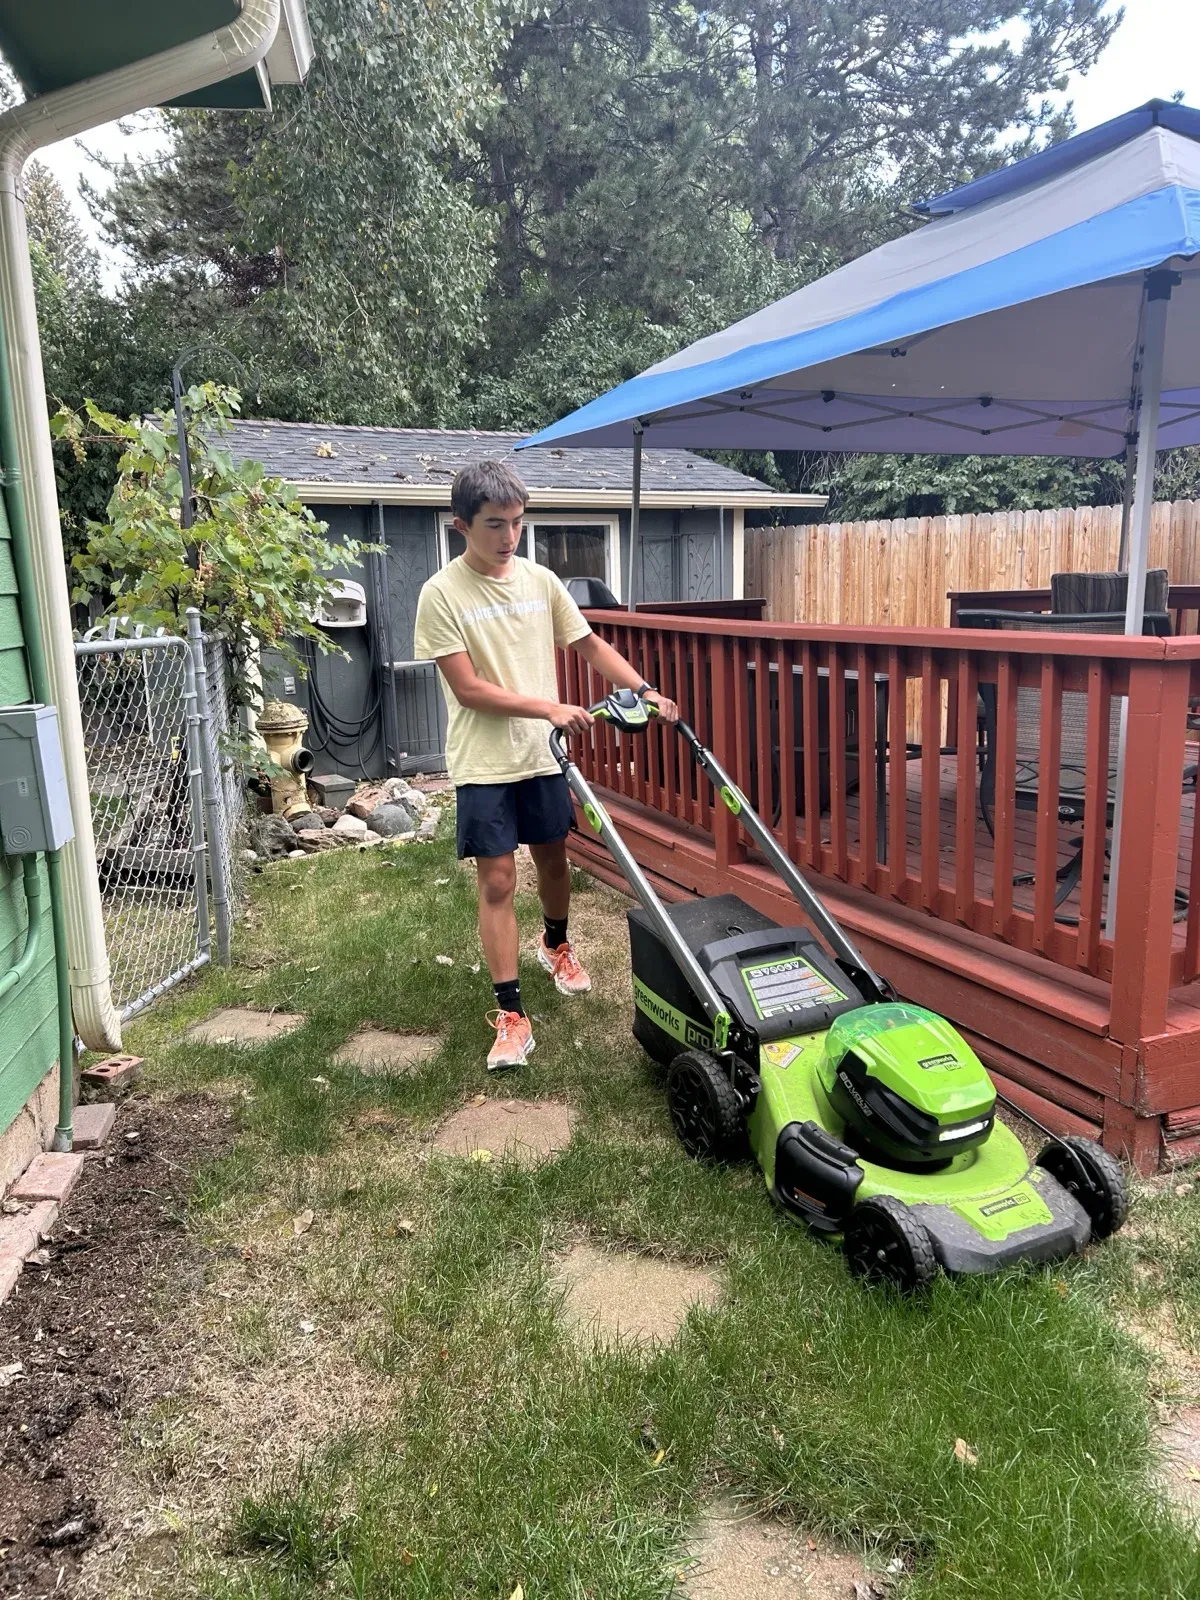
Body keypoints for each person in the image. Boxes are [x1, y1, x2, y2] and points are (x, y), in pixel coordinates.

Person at [414, 459, 678, 1071]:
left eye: (516, 523)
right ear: (461, 526)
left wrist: (645, 690)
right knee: (499, 880)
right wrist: (548, 706)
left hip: (542, 756)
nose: (509, 538)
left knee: (555, 856)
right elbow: (470, 689)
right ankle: (511, 1013)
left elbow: (588, 644)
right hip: (484, 761)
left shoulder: (540, 581)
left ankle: (555, 944)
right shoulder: (441, 594)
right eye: (494, 526)